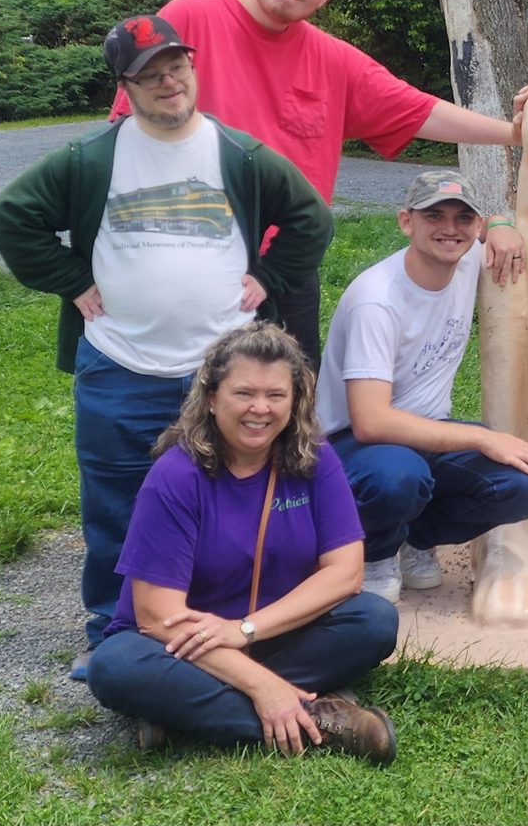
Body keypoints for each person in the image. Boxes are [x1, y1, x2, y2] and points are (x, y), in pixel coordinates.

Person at [0, 15, 331, 679]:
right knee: (117, 507)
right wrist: (71, 279)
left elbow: (310, 219)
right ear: (126, 85)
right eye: (150, 72)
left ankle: (217, 630)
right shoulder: (90, 161)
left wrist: (268, 276)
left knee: (224, 503)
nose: (169, 81)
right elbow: (9, 218)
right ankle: (113, 641)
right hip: (120, 367)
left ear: (192, 69)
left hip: (218, 372)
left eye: (177, 65)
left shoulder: (239, 156)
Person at [109, 0, 527, 366]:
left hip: (286, 265)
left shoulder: (334, 60)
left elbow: (421, 110)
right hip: (186, 256)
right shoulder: (191, 18)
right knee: (184, 400)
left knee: (283, 405)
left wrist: (515, 134)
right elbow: (125, 132)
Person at [87, 324, 399, 761]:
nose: (260, 409)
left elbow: (345, 573)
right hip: (182, 647)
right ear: (212, 398)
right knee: (115, 667)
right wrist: (262, 685)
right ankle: (321, 722)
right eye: (244, 393)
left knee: (374, 619)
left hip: (269, 630)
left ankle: (185, 712)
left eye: (276, 395)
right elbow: (158, 618)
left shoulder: (315, 459)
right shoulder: (176, 476)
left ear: (295, 401)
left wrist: (244, 630)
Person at [316, 169, 528, 603]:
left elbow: (505, 227)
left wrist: (500, 225)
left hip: (425, 431)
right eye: (434, 216)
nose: (450, 229)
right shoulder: (377, 300)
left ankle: (413, 537)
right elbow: (369, 421)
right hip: (350, 445)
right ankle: (376, 550)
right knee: (399, 477)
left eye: (464, 218)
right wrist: (482, 437)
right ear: (406, 221)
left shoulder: (465, 263)